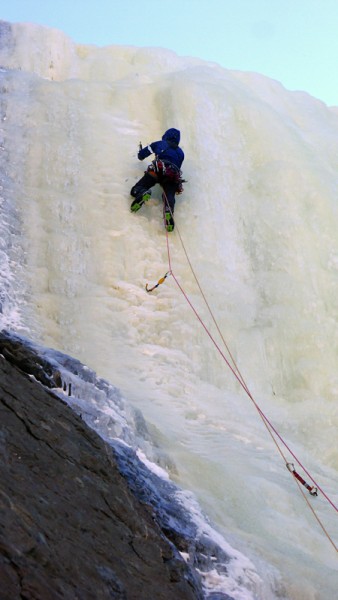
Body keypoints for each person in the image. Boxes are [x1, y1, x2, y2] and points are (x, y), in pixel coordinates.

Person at [130, 128, 185, 232]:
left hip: (158, 169)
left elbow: (142, 154)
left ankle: (142, 191)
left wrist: (140, 155)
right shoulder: (181, 153)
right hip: (172, 175)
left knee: (137, 188)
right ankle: (169, 210)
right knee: (169, 195)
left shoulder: (160, 143)